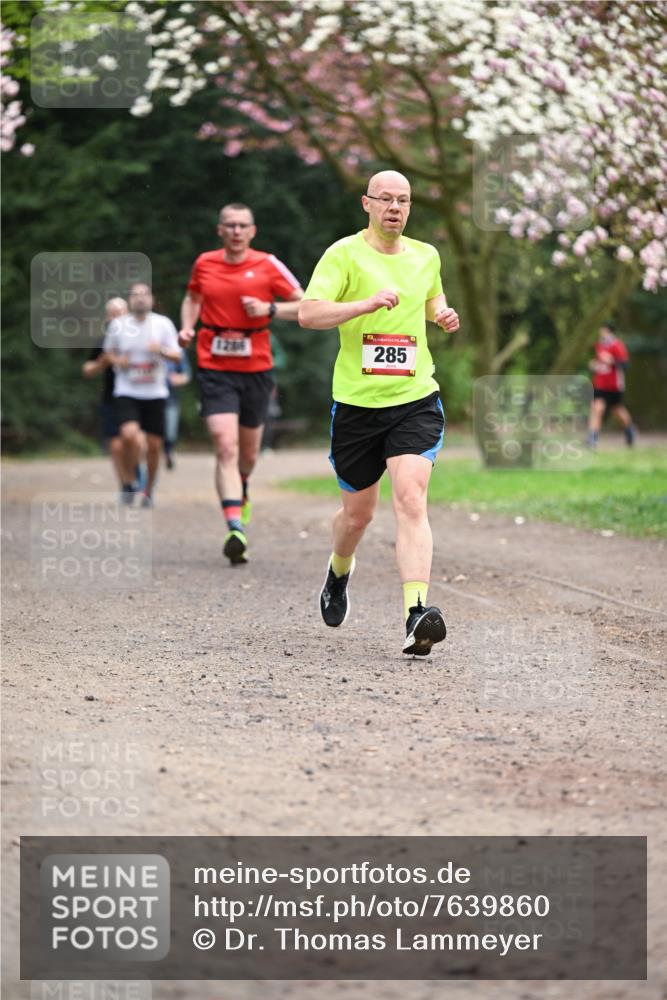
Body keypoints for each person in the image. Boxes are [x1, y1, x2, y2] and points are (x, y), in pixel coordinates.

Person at [298, 170, 460, 656]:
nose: (395, 207)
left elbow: (431, 298)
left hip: (414, 399)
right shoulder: (343, 254)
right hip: (355, 405)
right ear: (366, 203)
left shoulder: (426, 255)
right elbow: (309, 313)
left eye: (404, 200)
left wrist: (442, 314)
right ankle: (339, 570)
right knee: (357, 515)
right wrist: (363, 304)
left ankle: (417, 614)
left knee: (411, 498)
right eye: (385, 199)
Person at [179, 202, 304, 565]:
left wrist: (270, 310)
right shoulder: (204, 263)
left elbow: (307, 303)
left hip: (256, 368)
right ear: (220, 230)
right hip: (214, 365)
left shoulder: (268, 264)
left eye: (242, 225)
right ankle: (235, 526)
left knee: (247, 455)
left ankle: (242, 487)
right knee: (225, 444)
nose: (235, 231)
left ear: (253, 231)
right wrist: (188, 325)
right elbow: (192, 298)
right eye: (229, 225)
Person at [103, 282, 181, 506]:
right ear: (130, 300)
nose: (140, 298)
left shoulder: (163, 324)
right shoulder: (118, 325)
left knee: (154, 446)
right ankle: (129, 482)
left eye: (144, 294)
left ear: (151, 299)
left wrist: (162, 351)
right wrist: (119, 361)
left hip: (155, 392)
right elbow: (108, 354)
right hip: (127, 390)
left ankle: (149, 490)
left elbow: (177, 355)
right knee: (128, 435)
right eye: (135, 295)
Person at [82, 297, 128, 486]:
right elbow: (87, 370)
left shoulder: (140, 338)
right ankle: (126, 484)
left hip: (138, 397)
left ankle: (135, 474)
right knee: (116, 445)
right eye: (112, 315)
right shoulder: (103, 342)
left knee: (135, 441)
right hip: (111, 397)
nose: (115, 320)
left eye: (120, 315)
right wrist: (102, 363)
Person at [587, 322, 636, 447]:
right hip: (600, 384)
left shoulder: (617, 345)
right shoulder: (599, 345)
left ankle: (629, 430)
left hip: (614, 385)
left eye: (603, 331)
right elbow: (600, 362)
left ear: (609, 331)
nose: (601, 333)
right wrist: (594, 365)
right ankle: (592, 438)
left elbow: (625, 365)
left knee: (617, 410)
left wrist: (612, 361)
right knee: (597, 408)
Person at [164, 350, 192, 470]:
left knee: (170, 431)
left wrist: (178, 379)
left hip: (170, 398)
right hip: (146, 397)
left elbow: (186, 374)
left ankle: (169, 452)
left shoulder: (177, 349)